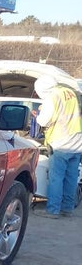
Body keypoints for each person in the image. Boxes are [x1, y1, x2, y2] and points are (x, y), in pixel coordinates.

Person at [32, 75, 82, 218]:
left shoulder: (52, 97)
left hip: (62, 142)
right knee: (71, 177)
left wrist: (37, 115)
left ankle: (53, 210)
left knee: (56, 177)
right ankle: (67, 209)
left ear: (42, 89)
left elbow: (44, 121)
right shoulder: (70, 92)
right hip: (78, 141)